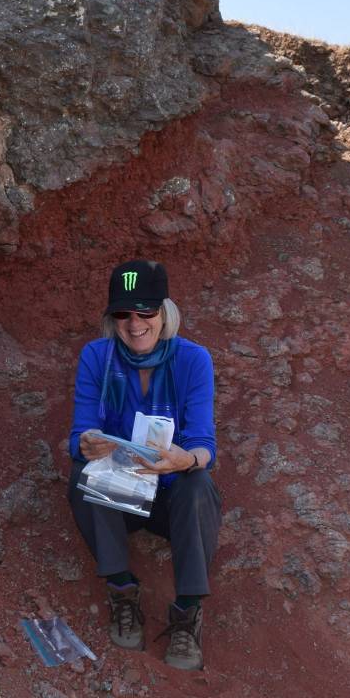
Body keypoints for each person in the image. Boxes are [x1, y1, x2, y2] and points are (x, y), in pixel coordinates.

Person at [66, 259, 221, 670]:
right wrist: (86, 444)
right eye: (122, 313)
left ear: (164, 312)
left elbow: (205, 442)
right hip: (121, 497)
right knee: (81, 475)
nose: (134, 324)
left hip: (170, 500)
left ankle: (187, 613)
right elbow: (79, 434)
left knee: (198, 483)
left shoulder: (193, 360)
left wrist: (184, 459)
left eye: (145, 312)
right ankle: (122, 590)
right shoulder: (97, 357)